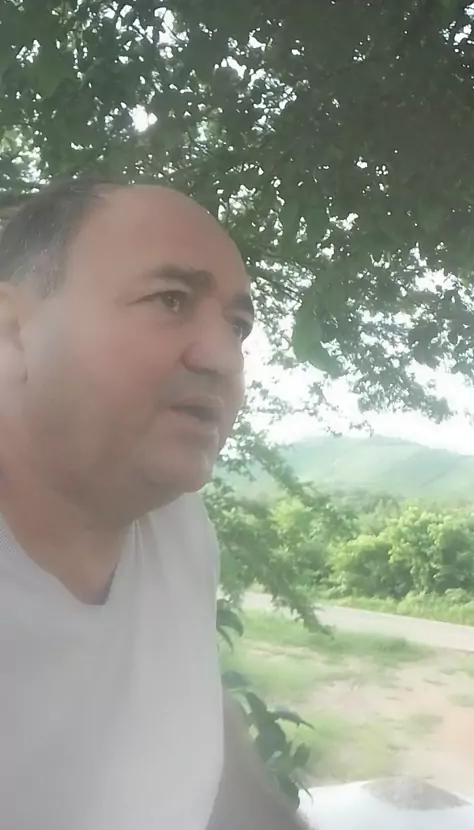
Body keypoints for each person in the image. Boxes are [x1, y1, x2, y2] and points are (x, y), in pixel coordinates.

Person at [0, 180, 305, 830]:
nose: (225, 357)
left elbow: (192, 711)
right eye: (170, 300)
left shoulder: (178, 527)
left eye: (238, 327)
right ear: (13, 330)